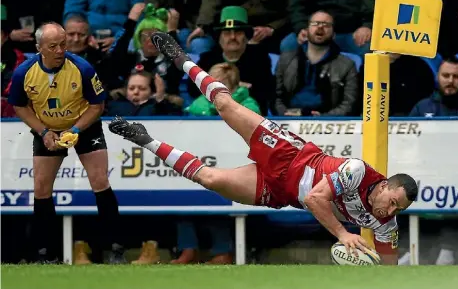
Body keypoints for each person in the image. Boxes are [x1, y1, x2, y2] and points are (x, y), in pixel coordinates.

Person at [109, 32, 419, 265]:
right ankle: (182, 56)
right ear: (385, 184)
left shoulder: (385, 222)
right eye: (392, 201)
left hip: (281, 191)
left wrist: (377, 274)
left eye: (397, 210)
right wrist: (342, 234)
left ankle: (142, 138)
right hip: (288, 153)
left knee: (209, 180)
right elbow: (315, 198)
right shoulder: (357, 171)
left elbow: (388, 262)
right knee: (225, 104)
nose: (390, 211)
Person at [7, 22, 125, 264]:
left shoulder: (82, 68)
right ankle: (45, 254)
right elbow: (19, 106)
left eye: (63, 44)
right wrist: (43, 131)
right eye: (53, 46)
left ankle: (115, 248)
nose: (60, 50)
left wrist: (75, 130)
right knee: (41, 187)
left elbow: (97, 106)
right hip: (47, 130)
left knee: (100, 180)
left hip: (83, 125)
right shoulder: (24, 72)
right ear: (39, 48)